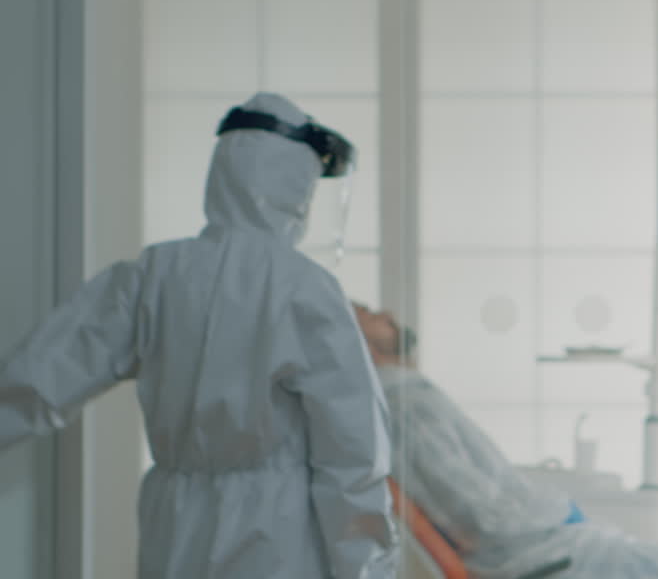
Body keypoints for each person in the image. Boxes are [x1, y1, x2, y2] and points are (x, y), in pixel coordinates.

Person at [0, 93, 399, 578]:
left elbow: (40, 378)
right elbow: (354, 454)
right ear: (298, 187)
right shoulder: (306, 290)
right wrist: (370, 569)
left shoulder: (151, 276)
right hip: (278, 536)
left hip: (174, 525)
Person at [352, 303, 658, 579]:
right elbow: (481, 518)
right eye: (369, 314)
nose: (386, 312)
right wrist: (557, 511)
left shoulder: (409, 398)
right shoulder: (405, 408)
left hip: (558, 545)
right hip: (549, 556)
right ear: (363, 348)